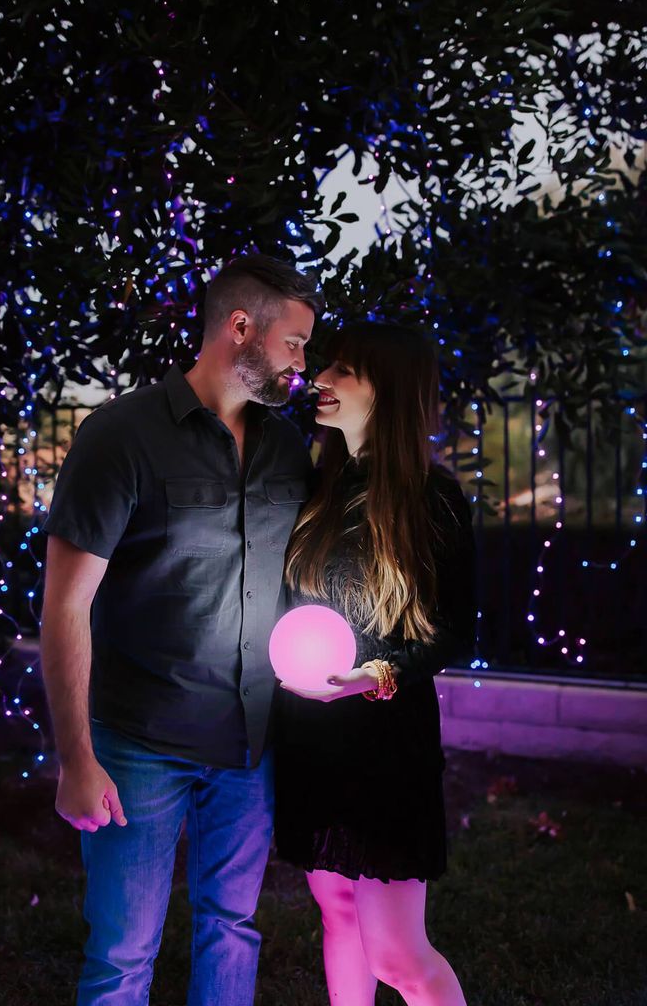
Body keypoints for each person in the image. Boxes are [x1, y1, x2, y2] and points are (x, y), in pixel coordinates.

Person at [40, 253, 320, 1006]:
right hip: (140, 748)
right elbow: (65, 607)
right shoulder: (120, 437)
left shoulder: (288, 449)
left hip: (249, 750)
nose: (302, 362)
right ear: (240, 328)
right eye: (293, 342)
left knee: (233, 926)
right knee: (123, 956)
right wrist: (76, 758)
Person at [274, 322, 475, 1006]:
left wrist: (378, 672)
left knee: (397, 954)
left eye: (345, 372)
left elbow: (455, 631)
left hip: (385, 748)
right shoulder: (317, 491)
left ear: (387, 393)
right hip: (311, 740)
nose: (320, 380)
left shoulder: (432, 499)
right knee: (338, 915)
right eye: (325, 366)